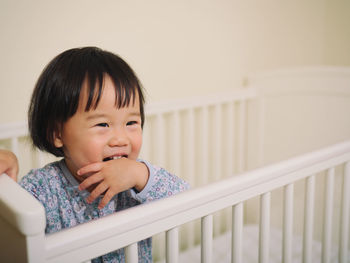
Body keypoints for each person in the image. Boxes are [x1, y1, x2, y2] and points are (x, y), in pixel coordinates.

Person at [19, 47, 189, 263]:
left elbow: (187, 202)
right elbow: (11, 222)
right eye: (102, 124)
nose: (120, 139)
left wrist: (141, 176)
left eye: (131, 123)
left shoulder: (136, 181)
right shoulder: (43, 189)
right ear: (57, 133)